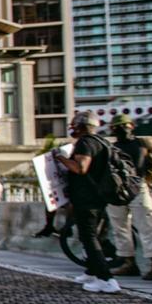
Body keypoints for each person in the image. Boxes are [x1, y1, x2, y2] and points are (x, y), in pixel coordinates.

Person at [53, 111, 120, 293]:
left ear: (81, 126)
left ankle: (106, 280)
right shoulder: (101, 141)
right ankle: (92, 271)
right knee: (89, 237)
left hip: (87, 199)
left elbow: (81, 168)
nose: (71, 129)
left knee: (89, 238)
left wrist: (60, 158)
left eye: (74, 126)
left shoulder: (85, 142)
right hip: (98, 197)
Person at [107, 114, 152, 281]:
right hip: (116, 190)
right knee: (120, 228)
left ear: (132, 126)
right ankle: (128, 263)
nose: (123, 129)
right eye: (119, 127)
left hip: (138, 187)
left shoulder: (144, 143)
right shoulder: (110, 147)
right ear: (113, 129)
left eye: (125, 126)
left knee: (148, 226)